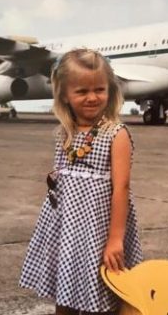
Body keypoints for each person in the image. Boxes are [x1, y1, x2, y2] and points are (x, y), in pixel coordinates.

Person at [19, 49, 142, 315]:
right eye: (82, 91)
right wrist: (57, 177)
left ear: (110, 90)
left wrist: (116, 239)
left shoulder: (115, 134)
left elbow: (121, 188)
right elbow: (64, 170)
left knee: (101, 291)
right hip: (66, 228)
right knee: (65, 289)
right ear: (64, 94)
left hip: (99, 229)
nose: (92, 97)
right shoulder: (64, 131)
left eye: (99, 89)